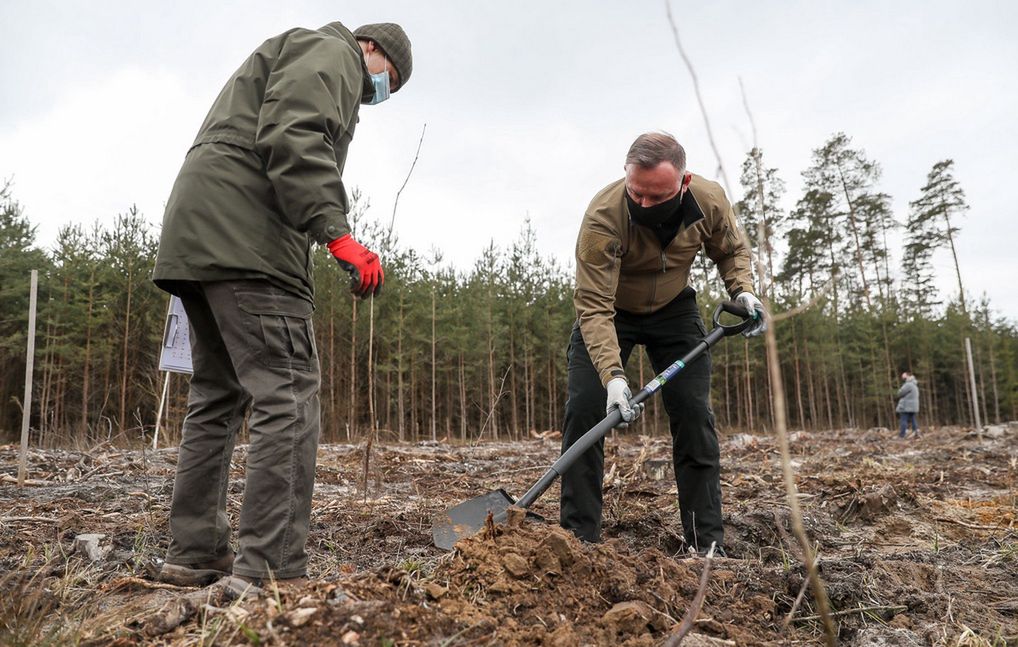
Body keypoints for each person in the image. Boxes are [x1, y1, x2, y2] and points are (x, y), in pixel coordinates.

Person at [151, 21, 413, 591]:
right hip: (249, 241)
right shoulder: (333, 52)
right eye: (387, 80)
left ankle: (193, 554)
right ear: (373, 49)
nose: (379, 93)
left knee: (216, 397)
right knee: (289, 392)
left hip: (199, 234)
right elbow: (294, 135)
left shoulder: (292, 52)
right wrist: (337, 234)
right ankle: (270, 568)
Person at [560, 132, 765, 554]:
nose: (645, 205)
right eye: (637, 194)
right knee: (584, 409)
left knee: (693, 414)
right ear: (626, 176)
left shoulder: (707, 200)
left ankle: (705, 542)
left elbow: (731, 250)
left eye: (658, 196)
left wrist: (743, 290)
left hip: (674, 311)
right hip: (611, 313)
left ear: (683, 182)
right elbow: (594, 307)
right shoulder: (603, 216)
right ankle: (578, 540)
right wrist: (614, 377)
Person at [895, 371, 920, 438]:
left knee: (903, 420)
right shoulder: (914, 384)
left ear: (908, 376)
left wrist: (899, 391)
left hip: (906, 406)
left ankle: (902, 435)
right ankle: (916, 432)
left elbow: (900, 393)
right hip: (913, 406)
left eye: (904, 376)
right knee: (913, 419)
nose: (903, 378)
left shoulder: (908, 384)